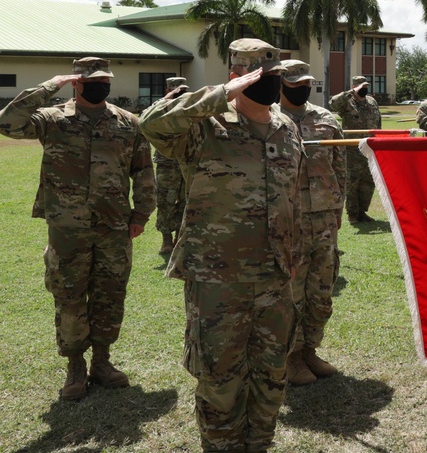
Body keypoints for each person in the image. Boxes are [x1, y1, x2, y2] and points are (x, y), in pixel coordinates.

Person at [139, 39, 303, 453]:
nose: (271, 84)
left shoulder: (288, 130)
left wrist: (294, 254)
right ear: (237, 76)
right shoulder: (203, 128)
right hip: (217, 282)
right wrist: (217, 96)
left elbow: (291, 200)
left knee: (271, 375)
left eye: (275, 76)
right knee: (220, 380)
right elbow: (151, 123)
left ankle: (259, 444)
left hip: (274, 279)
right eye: (261, 77)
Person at [0, 57, 154, 400]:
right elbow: (8, 123)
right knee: (69, 296)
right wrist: (48, 86)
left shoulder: (128, 123)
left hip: (114, 226)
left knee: (110, 295)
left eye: (105, 79)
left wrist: (141, 215)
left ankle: (102, 362)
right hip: (68, 227)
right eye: (93, 80)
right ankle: (75, 366)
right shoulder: (53, 119)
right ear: (76, 83)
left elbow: (143, 171)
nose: (102, 85)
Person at [278, 60, 347, 387]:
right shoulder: (269, 121)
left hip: (323, 219)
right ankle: (290, 357)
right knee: (292, 292)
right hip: (288, 221)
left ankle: (310, 350)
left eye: (306, 82)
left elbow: (339, 167)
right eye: (295, 83)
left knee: (321, 289)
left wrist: (338, 210)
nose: (302, 88)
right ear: (281, 85)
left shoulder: (327, 119)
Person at [329, 75, 381, 224]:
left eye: (365, 86)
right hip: (352, 150)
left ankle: (362, 212)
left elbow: (378, 123)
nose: (364, 89)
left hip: (370, 148)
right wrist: (349, 93)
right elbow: (332, 104)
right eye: (361, 87)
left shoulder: (372, 102)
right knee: (352, 182)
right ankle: (352, 214)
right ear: (354, 87)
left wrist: (379, 142)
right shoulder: (347, 103)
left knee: (368, 181)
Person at [154, 76, 188, 254]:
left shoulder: (190, 108)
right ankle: (166, 240)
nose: (180, 94)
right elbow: (147, 119)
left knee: (185, 200)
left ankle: (178, 239)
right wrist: (165, 101)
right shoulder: (159, 108)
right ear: (168, 91)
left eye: (183, 91)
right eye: (176, 91)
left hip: (187, 161)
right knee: (165, 200)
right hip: (166, 163)